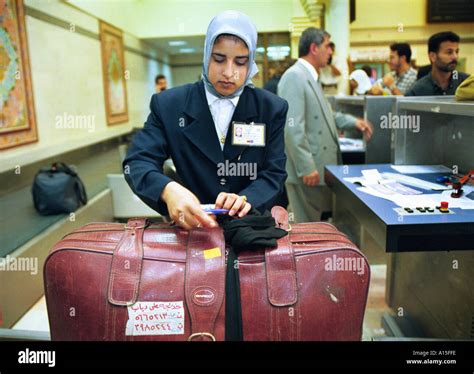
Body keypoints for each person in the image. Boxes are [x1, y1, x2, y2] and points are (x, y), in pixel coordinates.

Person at [123, 11, 288, 230]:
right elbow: (137, 162)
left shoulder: (270, 108)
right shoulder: (170, 106)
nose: (229, 73)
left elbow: (273, 173)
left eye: (240, 62)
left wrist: (247, 198)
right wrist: (168, 190)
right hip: (193, 231)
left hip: (252, 229)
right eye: (219, 59)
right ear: (206, 55)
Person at [278, 27, 373, 223]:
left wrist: (354, 122)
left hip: (317, 168)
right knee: (304, 227)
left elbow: (327, 114)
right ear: (314, 48)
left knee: (311, 224)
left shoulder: (311, 77)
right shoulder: (295, 76)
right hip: (306, 171)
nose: (331, 51)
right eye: (328, 46)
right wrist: (306, 167)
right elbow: (292, 126)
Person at [406, 31, 470, 96]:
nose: (455, 56)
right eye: (449, 52)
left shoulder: (467, 83)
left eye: (456, 52)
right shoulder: (417, 91)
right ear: (432, 56)